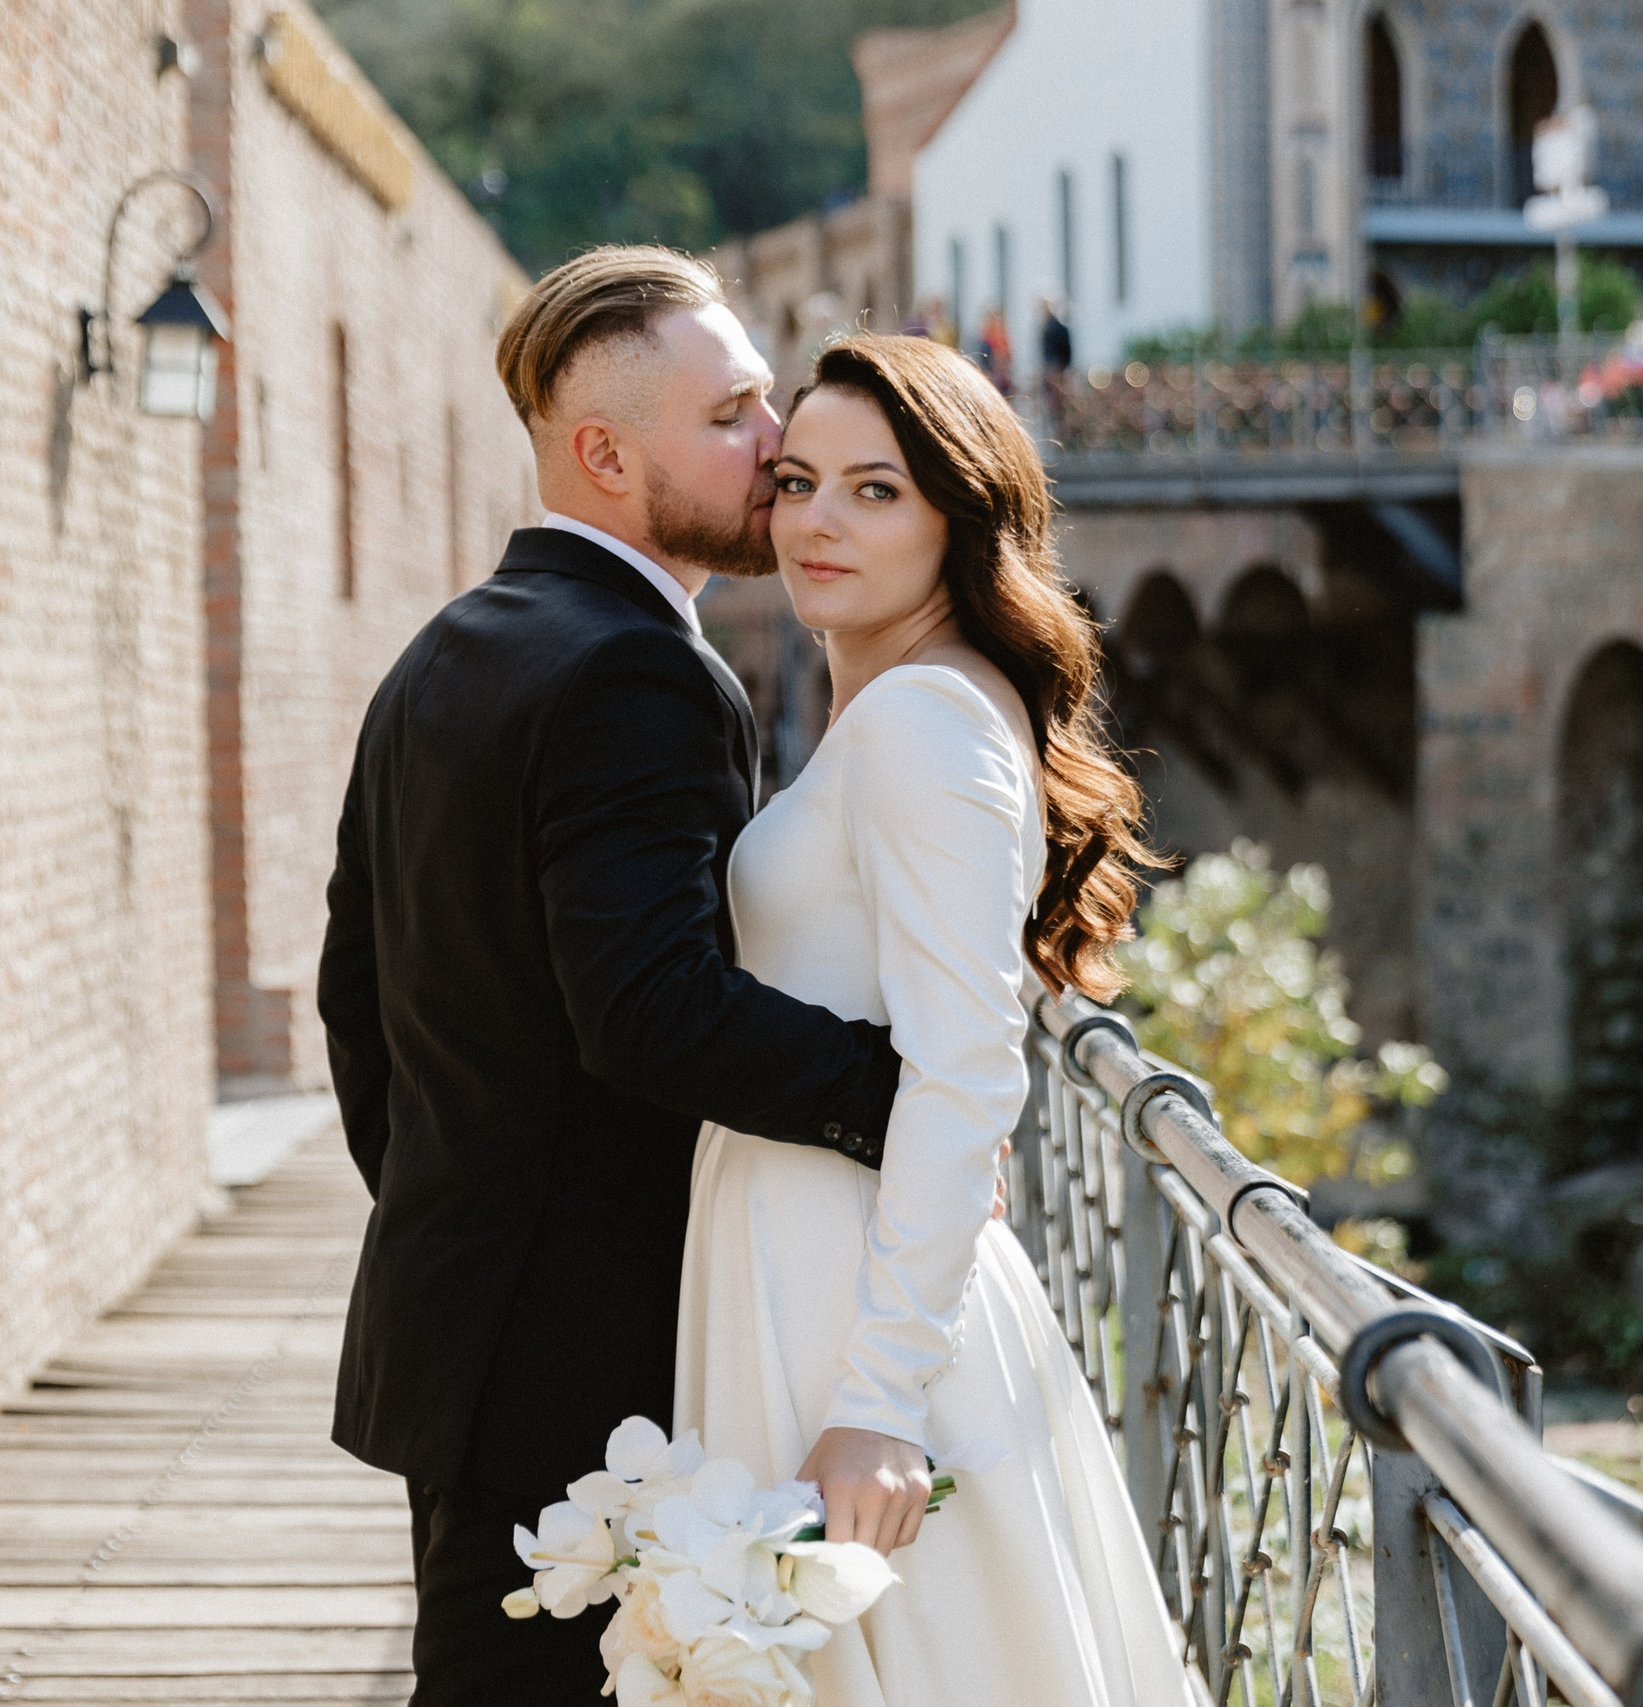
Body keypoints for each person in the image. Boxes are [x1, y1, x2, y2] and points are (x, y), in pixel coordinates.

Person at [318, 247, 908, 1706]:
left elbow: (352, 1001)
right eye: (731, 415)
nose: (777, 444)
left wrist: (458, 1196)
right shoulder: (634, 671)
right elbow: (647, 1007)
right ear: (604, 456)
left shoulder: (445, 650)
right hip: (580, 1348)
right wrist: (900, 1098)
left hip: (463, 1315)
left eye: (764, 397)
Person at [676, 333, 1193, 1706]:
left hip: (855, 1297)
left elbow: (967, 1069)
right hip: (809, 1248)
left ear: (962, 517)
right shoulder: (906, 704)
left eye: (875, 489)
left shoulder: (923, 719)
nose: (817, 521)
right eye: (795, 480)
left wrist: (881, 1401)